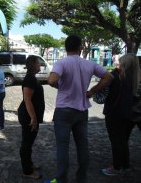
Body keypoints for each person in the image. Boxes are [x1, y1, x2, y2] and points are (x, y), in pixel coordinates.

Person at [46, 35, 113, 183]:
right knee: (82, 145)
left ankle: (62, 179)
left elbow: (51, 80)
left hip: (63, 110)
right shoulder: (89, 64)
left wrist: (60, 87)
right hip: (82, 110)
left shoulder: (61, 63)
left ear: (65, 48)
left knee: (62, 147)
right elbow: (108, 77)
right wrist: (92, 91)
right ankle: (81, 178)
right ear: (80, 48)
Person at [102, 53, 141, 176]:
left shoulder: (115, 76)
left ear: (124, 64)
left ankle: (117, 167)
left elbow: (103, 95)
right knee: (123, 140)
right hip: (130, 116)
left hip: (115, 114)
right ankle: (125, 165)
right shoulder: (137, 79)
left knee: (116, 141)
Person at [18, 55, 45, 180]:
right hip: (28, 116)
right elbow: (27, 100)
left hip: (32, 116)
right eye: (38, 63)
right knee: (26, 143)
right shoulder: (29, 79)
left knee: (29, 142)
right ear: (33, 64)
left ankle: (29, 164)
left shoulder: (32, 78)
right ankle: (27, 171)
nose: (40, 65)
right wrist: (33, 118)